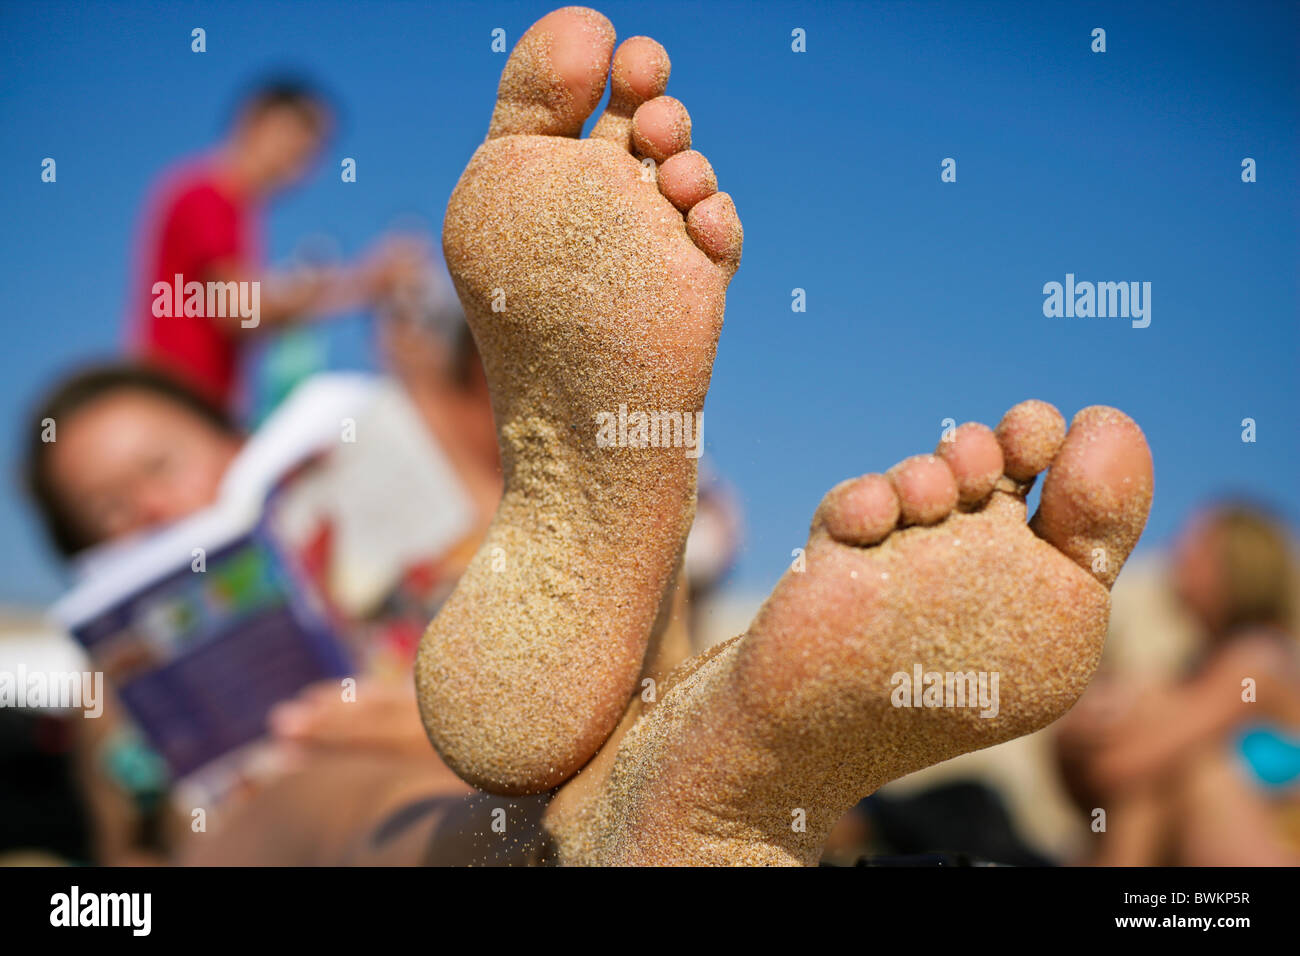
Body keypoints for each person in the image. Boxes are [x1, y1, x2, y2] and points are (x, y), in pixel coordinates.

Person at [130, 78, 426, 411]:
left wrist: (359, 285)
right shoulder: (207, 196)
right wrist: (360, 281)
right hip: (179, 404)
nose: (301, 167)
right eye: (298, 143)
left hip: (199, 406)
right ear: (254, 121)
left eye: (313, 154)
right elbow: (239, 308)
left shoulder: (231, 208)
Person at [1056, 503, 1300, 865]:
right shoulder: (1200, 664)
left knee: (1185, 771)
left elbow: (1125, 765)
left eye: (1198, 547)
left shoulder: (1256, 657)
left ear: (1237, 568)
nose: (1178, 555)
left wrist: (1077, 742)